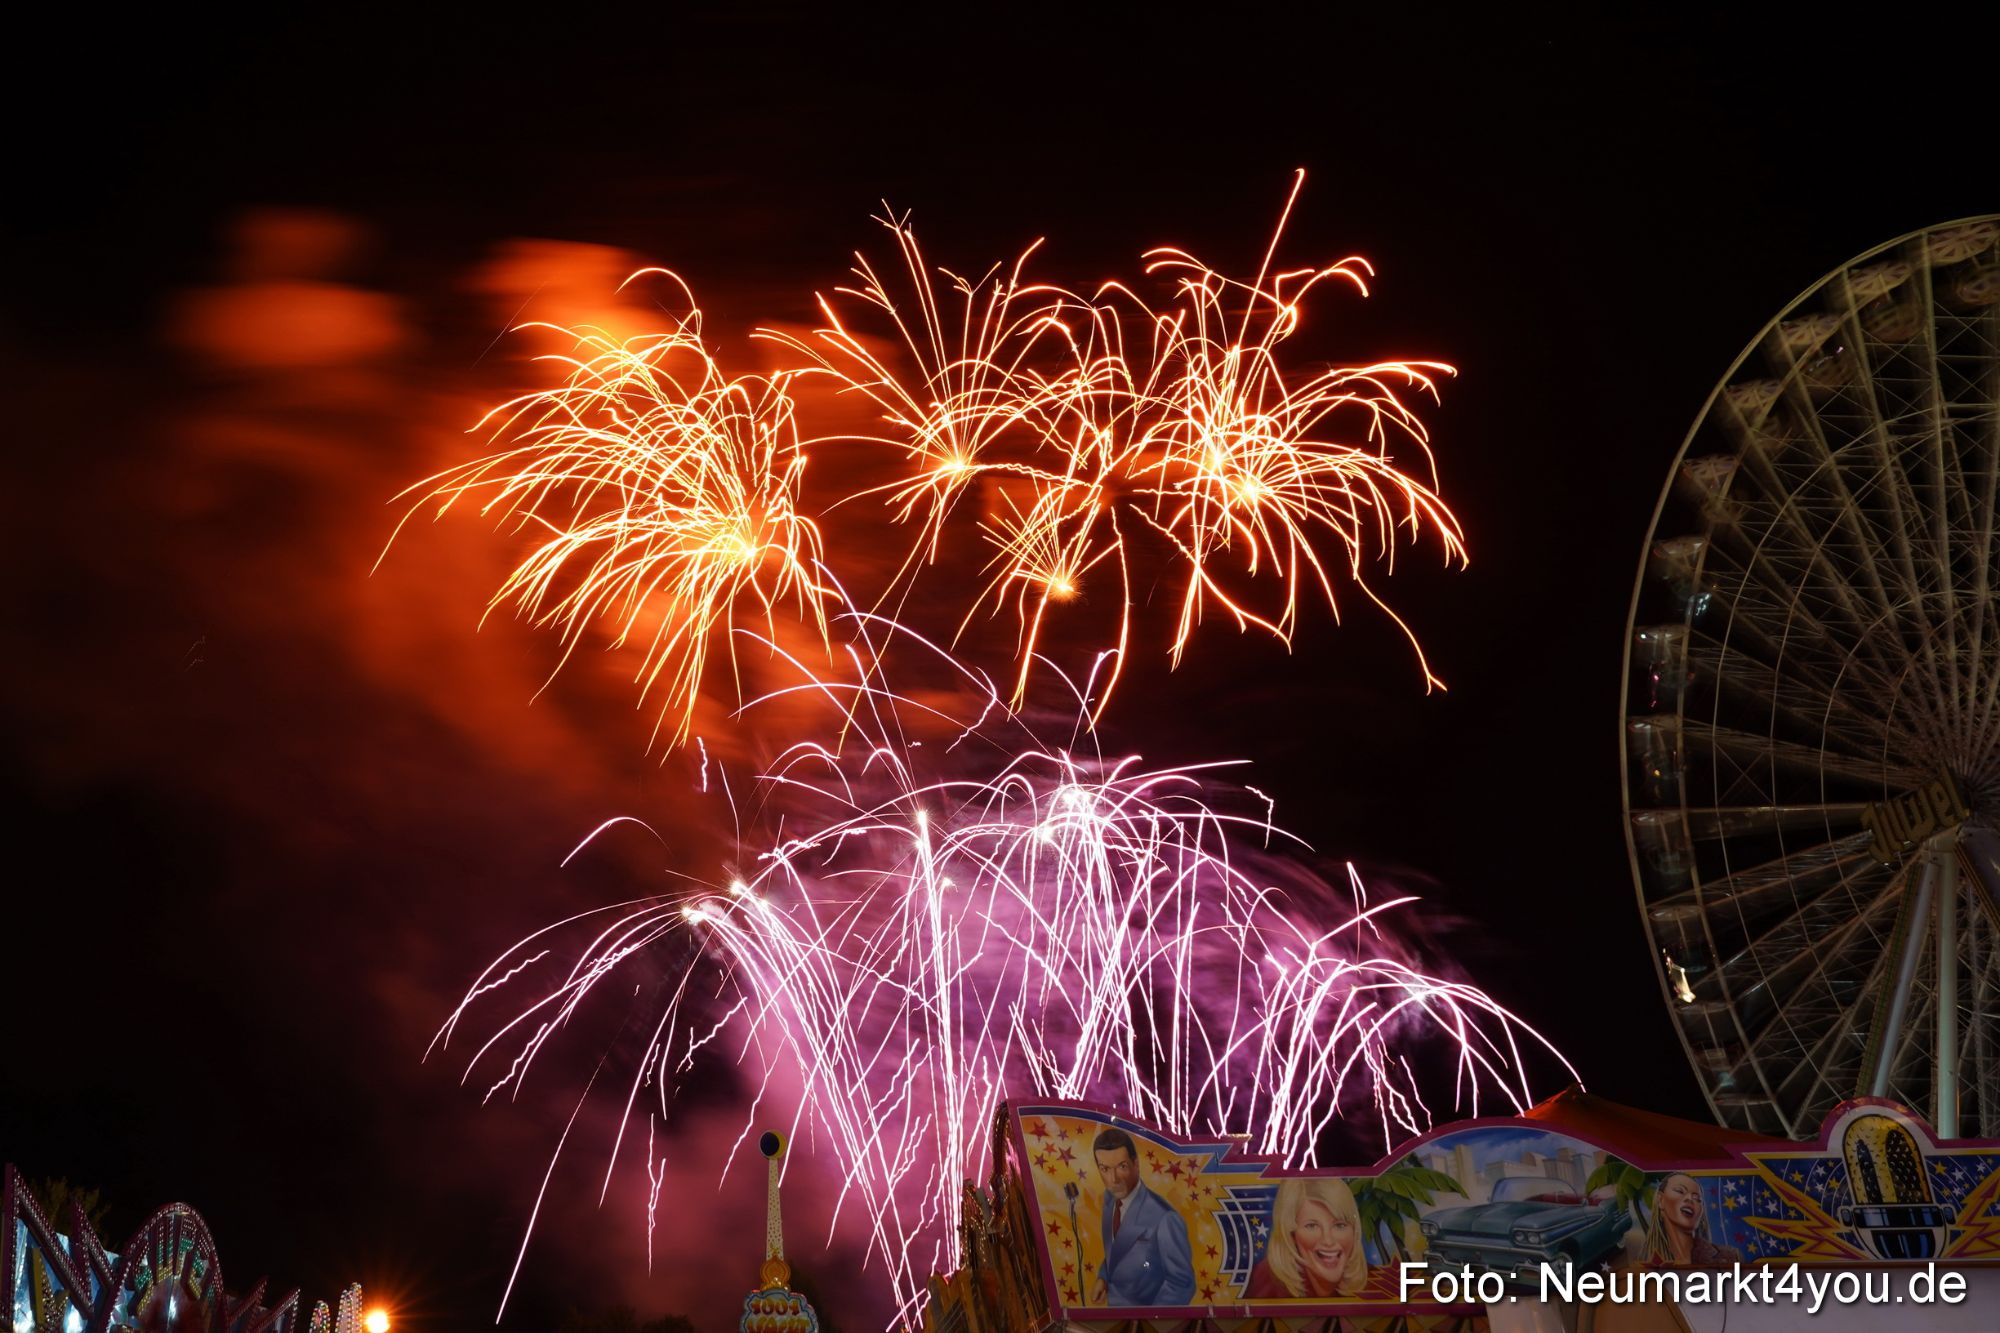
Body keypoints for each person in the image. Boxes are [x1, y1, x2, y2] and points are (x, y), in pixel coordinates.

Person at [1088, 1127, 1196, 1306]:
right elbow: (1117, 1252)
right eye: (1105, 1169)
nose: (1113, 1179)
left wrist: (1149, 1323)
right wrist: (1104, 1277)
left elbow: (1181, 1284)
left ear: (1136, 1164)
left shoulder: (1165, 1218)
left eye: (1122, 1167)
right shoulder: (1110, 1201)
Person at [1243, 1177, 1378, 1299]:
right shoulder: (1265, 1283)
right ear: (1291, 1234)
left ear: (1354, 1230)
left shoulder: (1378, 1281)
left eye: (1339, 1225)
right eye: (1312, 1226)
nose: (1328, 1241)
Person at [1640, 1173, 1739, 1266]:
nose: (1690, 1199)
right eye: (1680, 1191)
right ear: (1660, 1200)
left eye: (1697, 1199)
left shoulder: (1728, 1257)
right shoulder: (1642, 1263)